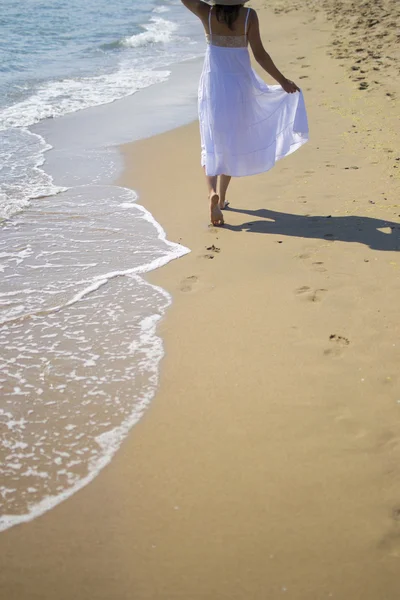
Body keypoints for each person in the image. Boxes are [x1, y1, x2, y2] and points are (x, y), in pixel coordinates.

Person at [180, 0, 309, 225]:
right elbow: (260, 55)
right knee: (231, 141)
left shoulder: (207, 13)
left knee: (211, 142)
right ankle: (222, 200)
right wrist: (282, 81)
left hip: (214, 87)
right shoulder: (249, 16)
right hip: (241, 87)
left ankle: (212, 193)